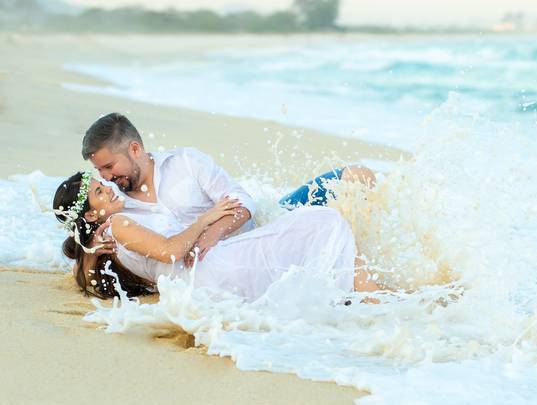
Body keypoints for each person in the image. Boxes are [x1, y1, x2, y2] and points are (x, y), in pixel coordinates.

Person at [77, 112, 376, 291]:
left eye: (109, 167)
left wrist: (214, 231)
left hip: (262, 230)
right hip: (225, 270)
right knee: (326, 226)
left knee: (357, 176)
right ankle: (365, 285)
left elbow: (243, 202)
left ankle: (370, 264)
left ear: (134, 149)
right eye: (100, 171)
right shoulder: (115, 208)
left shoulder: (186, 163)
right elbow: (83, 245)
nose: (106, 178)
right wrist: (90, 249)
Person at [53, 170, 383, 301]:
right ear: (91, 215)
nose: (109, 188)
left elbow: (79, 268)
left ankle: (369, 297)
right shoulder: (118, 225)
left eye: (102, 183)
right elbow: (170, 251)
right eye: (99, 191)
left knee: (311, 234)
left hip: (204, 284)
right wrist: (207, 219)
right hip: (213, 268)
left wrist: (89, 247)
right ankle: (377, 298)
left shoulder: (103, 243)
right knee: (322, 222)